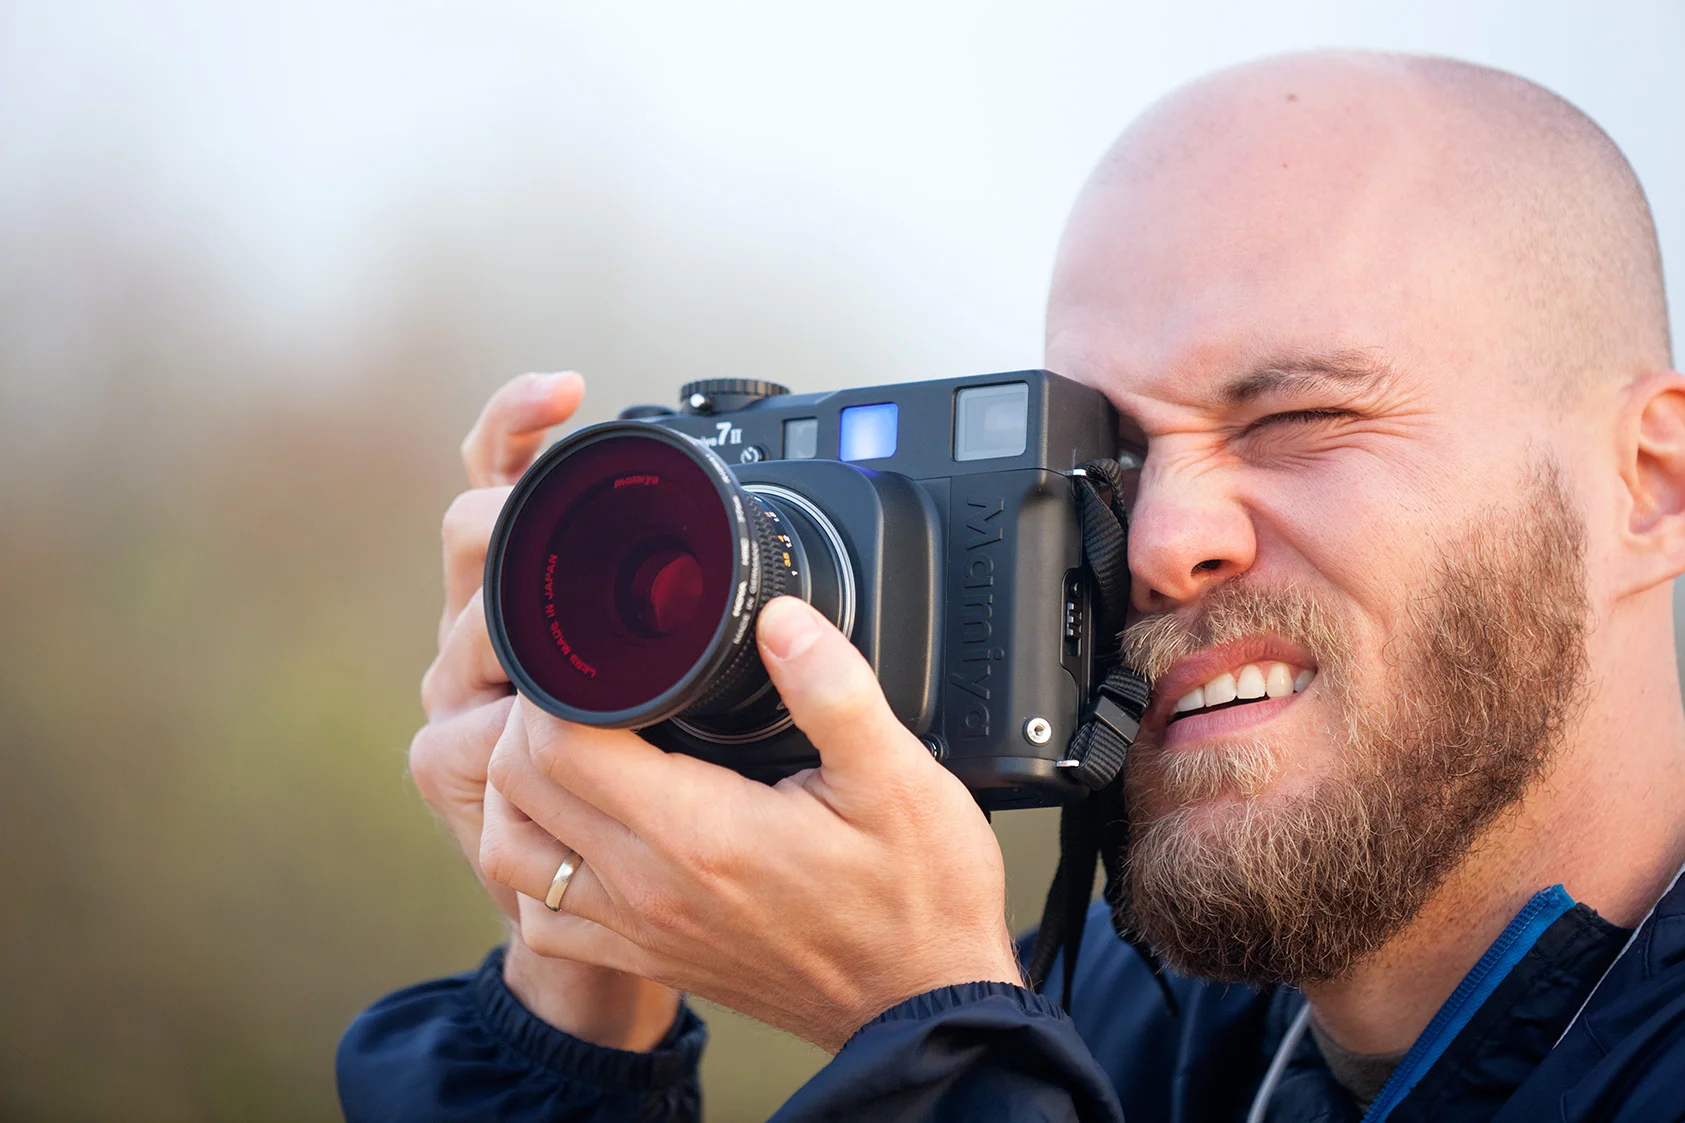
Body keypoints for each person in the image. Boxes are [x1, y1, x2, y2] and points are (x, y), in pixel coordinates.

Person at [337, 50, 1685, 1122]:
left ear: (1650, 484)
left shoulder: (1004, 1026)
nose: (1159, 540)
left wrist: (931, 1038)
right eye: (1100, 459)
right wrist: (580, 981)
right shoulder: (1111, 1024)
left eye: (1297, 421)